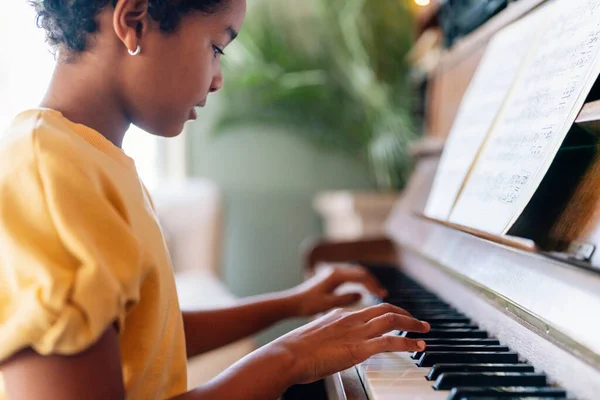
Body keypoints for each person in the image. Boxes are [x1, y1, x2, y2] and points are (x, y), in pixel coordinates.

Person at [0, 0, 430, 399]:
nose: (219, 78)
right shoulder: (49, 173)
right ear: (134, 22)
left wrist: (292, 303)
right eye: (217, 47)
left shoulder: (87, 160)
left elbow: (149, 335)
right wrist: (290, 357)